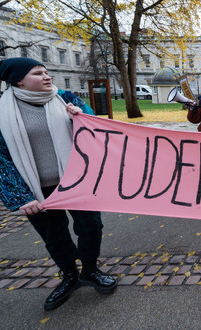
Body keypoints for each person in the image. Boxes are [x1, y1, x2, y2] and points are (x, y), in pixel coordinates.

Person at [0, 57, 117, 311]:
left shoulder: (66, 97)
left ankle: (90, 270)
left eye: (46, 71)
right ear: (18, 80)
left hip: (77, 180)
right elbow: (1, 159)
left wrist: (82, 117)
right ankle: (69, 276)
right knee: (55, 237)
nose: (46, 76)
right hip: (36, 190)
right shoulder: (2, 112)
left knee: (91, 227)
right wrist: (20, 197)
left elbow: (97, 128)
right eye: (37, 73)